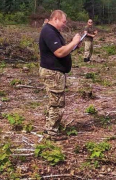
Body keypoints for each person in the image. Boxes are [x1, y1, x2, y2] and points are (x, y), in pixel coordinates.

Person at [39, 10, 81, 140]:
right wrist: (73, 42)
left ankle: (49, 128)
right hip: (53, 73)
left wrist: (73, 46)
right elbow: (59, 52)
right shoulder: (49, 31)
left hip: (55, 72)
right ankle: (51, 133)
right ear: (56, 19)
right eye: (63, 22)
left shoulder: (52, 31)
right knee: (57, 103)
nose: (65, 24)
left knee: (54, 101)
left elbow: (62, 50)